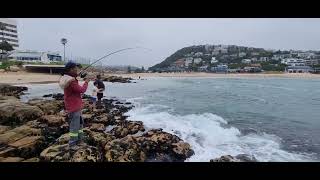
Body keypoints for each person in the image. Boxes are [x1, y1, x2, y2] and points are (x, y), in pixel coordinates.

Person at [59, 61, 90, 147]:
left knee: (80, 124)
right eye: (75, 69)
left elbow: (74, 77)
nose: (77, 71)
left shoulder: (68, 78)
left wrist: (78, 75)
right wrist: (86, 82)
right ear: (71, 69)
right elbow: (81, 90)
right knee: (74, 126)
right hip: (73, 106)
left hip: (76, 106)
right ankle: (72, 144)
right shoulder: (71, 81)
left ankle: (80, 141)